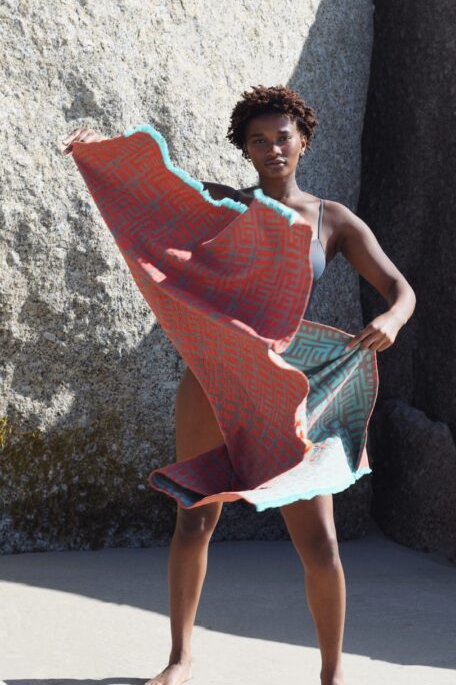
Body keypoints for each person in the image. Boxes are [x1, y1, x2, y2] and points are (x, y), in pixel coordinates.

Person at [61, 84, 416, 685]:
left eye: (283, 137)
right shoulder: (226, 205)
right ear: (245, 150)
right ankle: (179, 660)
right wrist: (97, 152)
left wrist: (392, 320)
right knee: (194, 519)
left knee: (320, 544)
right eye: (259, 141)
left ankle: (332, 675)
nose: (273, 148)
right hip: (215, 377)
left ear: (303, 141)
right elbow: (148, 198)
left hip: (289, 385)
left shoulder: (332, 219)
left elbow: (401, 290)